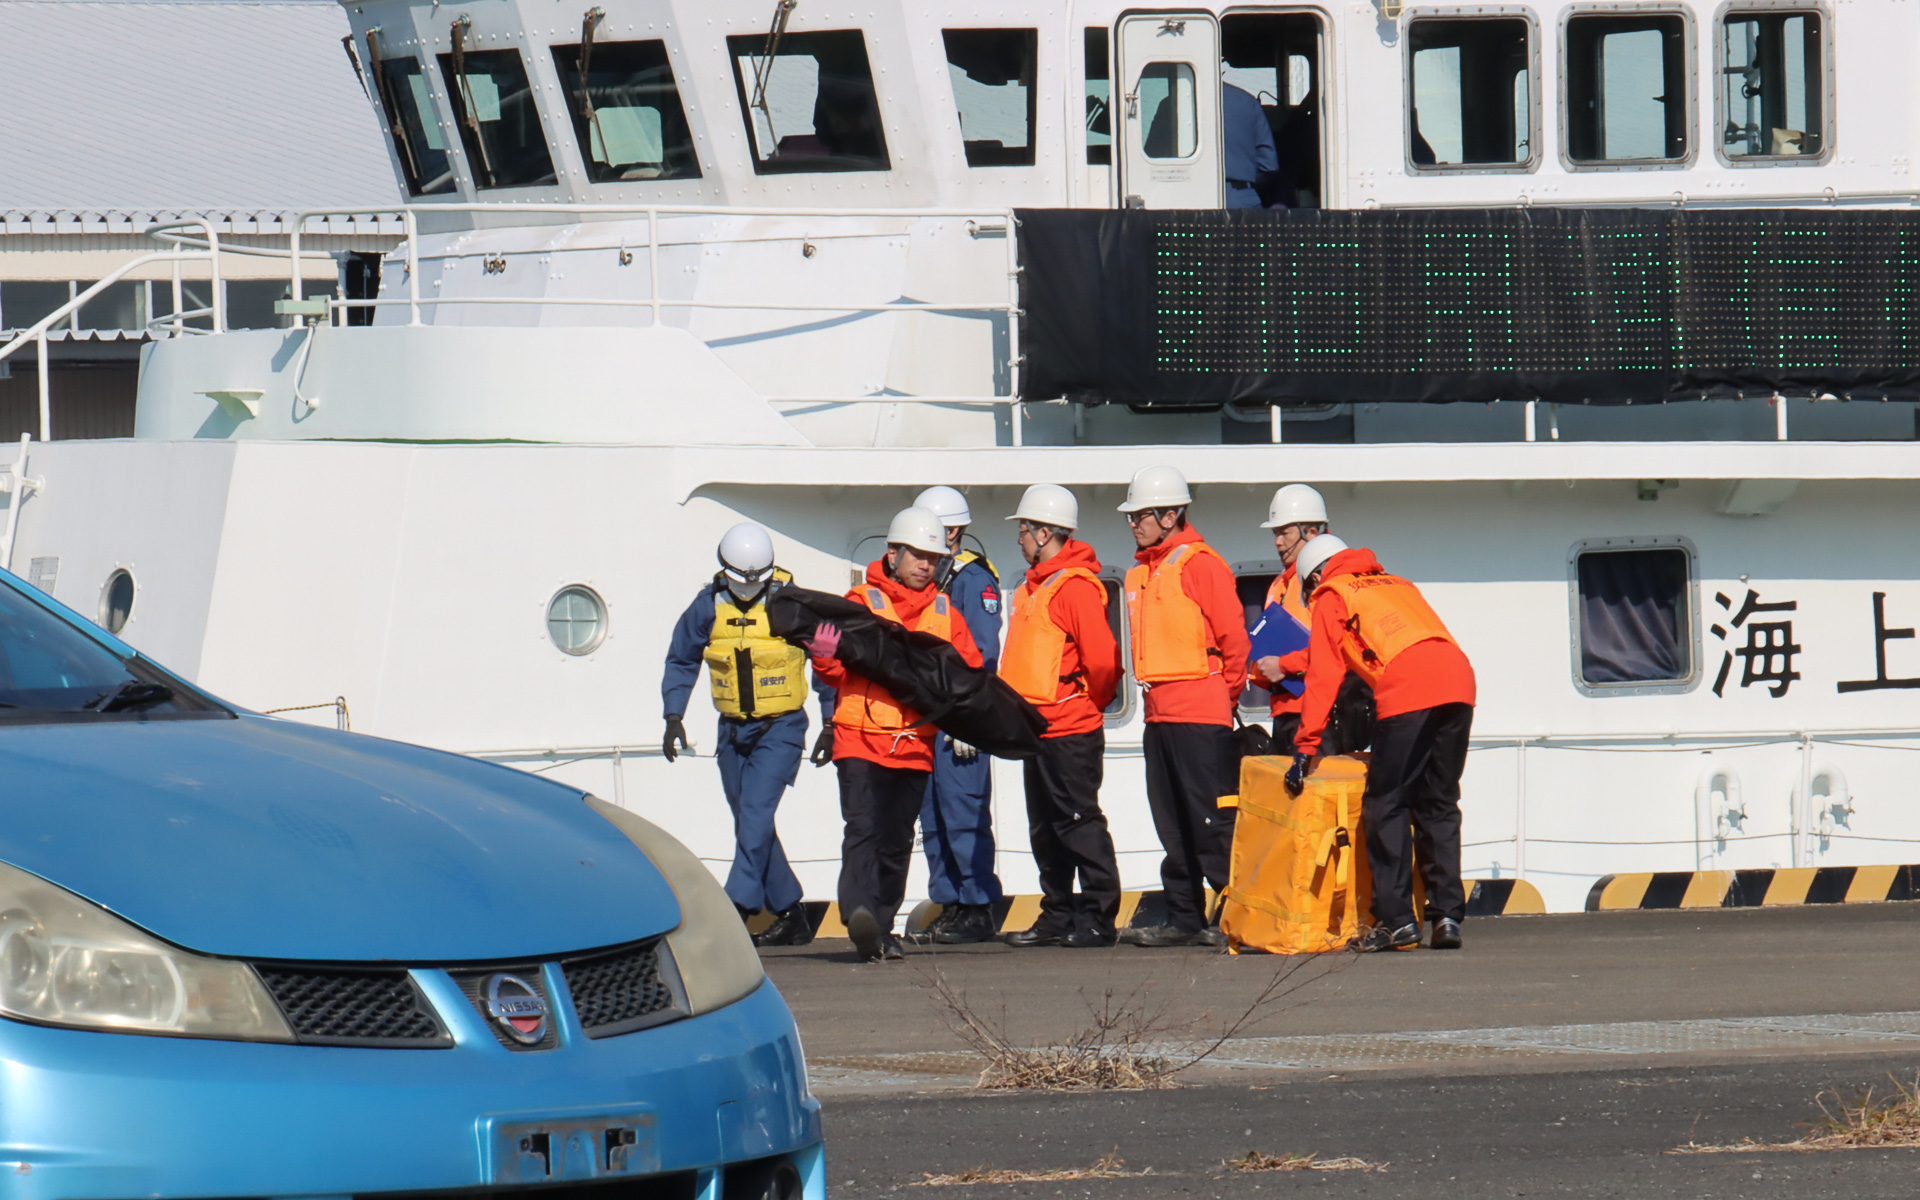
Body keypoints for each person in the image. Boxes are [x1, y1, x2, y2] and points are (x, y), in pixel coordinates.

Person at [809, 507, 985, 964]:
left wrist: (970, 720)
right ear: (893, 553)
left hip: (914, 744)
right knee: (864, 829)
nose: (926, 565)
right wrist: (824, 656)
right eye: (917, 555)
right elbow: (832, 672)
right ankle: (859, 913)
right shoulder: (860, 601)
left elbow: (968, 673)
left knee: (897, 839)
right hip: (860, 736)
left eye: (933, 557)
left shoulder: (946, 613)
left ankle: (881, 927)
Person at [1287, 535, 1476, 953]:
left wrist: (1304, 749)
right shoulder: (1397, 584)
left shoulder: (1333, 594)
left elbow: (1323, 675)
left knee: (1385, 802)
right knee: (1438, 801)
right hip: (1459, 681)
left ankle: (1398, 922)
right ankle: (1446, 917)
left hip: (1409, 688)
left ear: (1316, 575)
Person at [660, 522, 814, 947]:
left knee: (756, 817)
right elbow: (682, 658)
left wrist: (834, 721)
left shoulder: (791, 603)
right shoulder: (706, 606)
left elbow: (828, 662)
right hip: (731, 732)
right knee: (750, 822)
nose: (748, 589)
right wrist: (674, 714)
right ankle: (791, 913)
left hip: (780, 727)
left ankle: (736, 909)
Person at [1117, 466, 1252, 948]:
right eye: (1131, 516)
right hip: (1158, 715)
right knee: (1172, 820)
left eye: (1141, 516)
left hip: (1200, 715)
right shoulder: (1140, 572)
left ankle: (1240, 917)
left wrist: (1223, 696)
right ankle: (1184, 917)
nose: (1133, 524)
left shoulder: (1199, 564)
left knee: (1211, 820)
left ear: (1170, 515)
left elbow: (1235, 642)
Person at [997, 485, 1124, 949]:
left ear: (1045, 532)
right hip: (1038, 728)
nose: (1020, 539)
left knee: (1077, 820)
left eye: (1025, 531)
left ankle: (1096, 917)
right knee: (1045, 825)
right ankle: (1057, 914)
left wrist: (1090, 702)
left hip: (1069, 728)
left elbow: (1105, 661)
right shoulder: (1039, 586)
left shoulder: (1072, 588)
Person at [906, 485, 1005, 945]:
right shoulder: (928, 580)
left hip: (959, 716)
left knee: (964, 812)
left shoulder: (972, 579)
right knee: (933, 815)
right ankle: (949, 900)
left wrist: (968, 716)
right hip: (927, 715)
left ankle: (978, 904)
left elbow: (982, 654)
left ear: (956, 532)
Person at [1248, 484, 1331, 755]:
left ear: (1312, 532)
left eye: (1284, 532)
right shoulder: (1279, 584)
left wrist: (1284, 665)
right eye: (1275, 533)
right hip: (1284, 712)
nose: (1277, 541)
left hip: (1318, 717)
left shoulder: (1325, 581)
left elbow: (1336, 649)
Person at [1223, 82, 1280, 210]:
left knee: (1178, 231)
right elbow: (1268, 164)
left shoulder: (1170, 103)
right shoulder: (1247, 100)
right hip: (1241, 200)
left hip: (1184, 201)